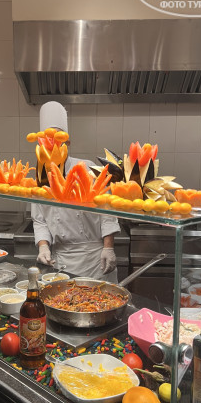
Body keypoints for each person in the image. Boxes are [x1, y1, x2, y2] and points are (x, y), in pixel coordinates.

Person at [31, 101, 120, 283]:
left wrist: (108, 248)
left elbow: (107, 210)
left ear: (68, 143)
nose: (51, 145)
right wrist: (43, 247)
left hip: (95, 258)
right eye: (46, 141)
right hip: (61, 259)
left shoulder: (86, 168)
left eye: (57, 140)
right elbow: (39, 220)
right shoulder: (40, 179)